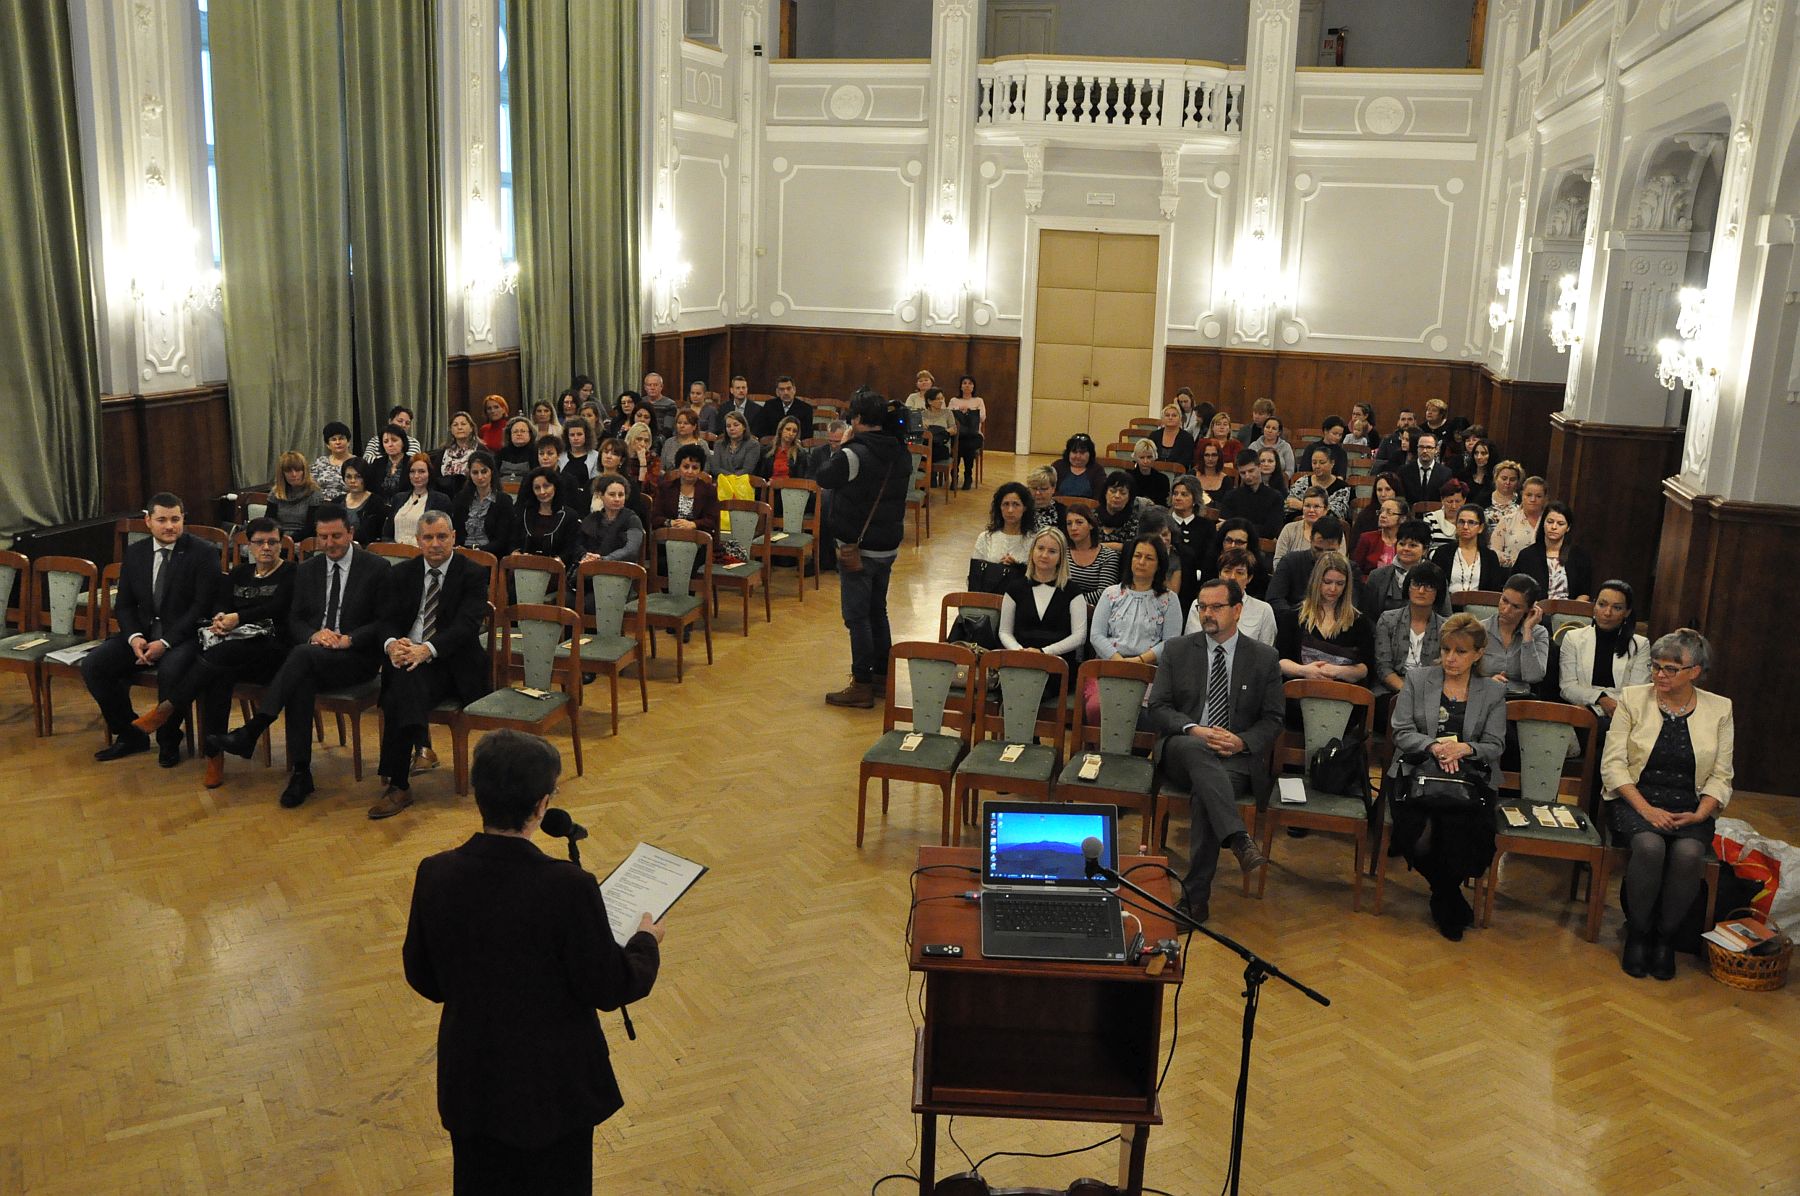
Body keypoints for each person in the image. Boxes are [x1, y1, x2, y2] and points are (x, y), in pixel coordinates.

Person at [402, 729, 663, 1194]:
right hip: (552, 1091)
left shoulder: (435, 873)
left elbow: (424, 977)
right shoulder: (567, 887)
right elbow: (609, 987)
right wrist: (645, 942)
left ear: (479, 795)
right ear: (542, 806)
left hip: (474, 1079)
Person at [207, 506, 389, 807]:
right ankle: (302, 773)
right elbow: (295, 620)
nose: (329, 543)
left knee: (300, 659)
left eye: (336, 536)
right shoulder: (308, 569)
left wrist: (348, 639)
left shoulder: (377, 568)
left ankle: (254, 730)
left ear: (351, 533)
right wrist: (313, 635)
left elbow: (385, 621)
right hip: (314, 653)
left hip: (356, 658)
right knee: (300, 676)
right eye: (323, 537)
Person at [1602, 628, 1735, 980]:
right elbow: (1613, 765)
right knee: (1649, 846)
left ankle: (1665, 938)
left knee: (1689, 854)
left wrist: (1700, 813)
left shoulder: (1720, 709)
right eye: (1656, 666)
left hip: (1691, 806)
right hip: (1636, 800)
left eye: (1670, 669)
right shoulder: (1632, 699)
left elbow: (1722, 775)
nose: (1659, 675)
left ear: (1695, 671)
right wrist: (1646, 810)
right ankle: (1639, 934)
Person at [1148, 577, 1282, 922]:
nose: (1207, 614)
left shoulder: (1264, 658)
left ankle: (1195, 900)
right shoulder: (1178, 650)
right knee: (1197, 751)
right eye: (1202, 607)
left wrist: (1241, 741)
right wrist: (1195, 729)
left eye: (1216, 607)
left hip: (1234, 757)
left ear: (1237, 610)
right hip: (1182, 747)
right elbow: (1158, 708)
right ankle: (1238, 837)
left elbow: (1273, 720)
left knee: (1206, 795)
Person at [133, 518, 294, 789]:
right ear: (248, 545)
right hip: (234, 652)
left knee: (221, 656)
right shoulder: (240, 573)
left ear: (282, 544)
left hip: (273, 651)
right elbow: (221, 601)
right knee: (218, 675)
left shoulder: (292, 573)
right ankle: (214, 756)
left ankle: (167, 708)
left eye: (273, 542)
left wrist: (238, 617)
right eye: (259, 542)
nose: (266, 547)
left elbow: (279, 608)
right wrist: (220, 617)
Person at [1387, 612, 1507, 940]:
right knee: (1420, 831)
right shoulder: (1418, 679)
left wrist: (1465, 749)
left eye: (1461, 652)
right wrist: (1435, 746)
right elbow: (1401, 732)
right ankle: (1448, 896)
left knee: (1460, 829)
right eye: (1446, 650)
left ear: (1478, 654)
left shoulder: (1493, 693)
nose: (1450, 659)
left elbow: (1495, 745)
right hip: (1416, 772)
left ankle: (1444, 895)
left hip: (1470, 779)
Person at [368, 512, 492, 819]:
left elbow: (467, 626)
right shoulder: (402, 573)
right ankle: (414, 758)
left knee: (400, 687)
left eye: (441, 537)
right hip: (409, 660)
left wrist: (427, 649)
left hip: (453, 665)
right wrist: (392, 645)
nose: (435, 544)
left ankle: (399, 784)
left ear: (453, 537)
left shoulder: (473, 573)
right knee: (406, 679)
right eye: (428, 538)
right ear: (417, 541)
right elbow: (385, 620)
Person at [83, 492, 221, 766]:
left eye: (175, 519)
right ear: (147, 521)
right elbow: (124, 605)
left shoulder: (203, 552)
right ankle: (130, 732)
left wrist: (166, 643)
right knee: (94, 665)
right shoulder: (136, 553)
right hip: (142, 634)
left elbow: (201, 608)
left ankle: (168, 740)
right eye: (162, 520)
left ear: (183, 519)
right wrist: (135, 638)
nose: (169, 526)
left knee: (171, 672)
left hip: (184, 637)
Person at [813, 392, 910, 707]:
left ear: (855, 420)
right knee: (877, 610)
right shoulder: (900, 451)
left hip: (859, 547)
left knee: (857, 617)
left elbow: (825, 476)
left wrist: (844, 444)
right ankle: (882, 677)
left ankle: (862, 684)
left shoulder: (853, 454)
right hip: (888, 545)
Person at [1085, 535, 1182, 721]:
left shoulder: (1169, 600)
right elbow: (1096, 635)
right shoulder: (1111, 594)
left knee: (1143, 713)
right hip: (1109, 665)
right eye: (1137, 556)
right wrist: (1119, 661)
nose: (1141, 562)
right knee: (1097, 707)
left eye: (1149, 558)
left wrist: (1138, 661)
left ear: (1159, 564)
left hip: (1149, 670)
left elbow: (1171, 642)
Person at [999, 528, 1089, 690]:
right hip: (1020, 662)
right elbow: (1004, 632)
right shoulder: (1015, 588)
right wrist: (1021, 652)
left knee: (1028, 688)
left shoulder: (1073, 592)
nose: (1044, 555)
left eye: (1052, 551)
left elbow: (1079, 636)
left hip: (1057, 665)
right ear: (1032, 551)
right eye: (1040, 548)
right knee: (1017, 685)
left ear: (1061, 557)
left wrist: (1043, 653)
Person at [1276, 551, 1373, 684]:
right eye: (1327, 582)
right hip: (1301, 692)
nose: (1333, 589)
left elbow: (1365, 668)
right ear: (1316, 581)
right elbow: (1281, 662)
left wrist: (1339, 671)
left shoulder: (1359, 623)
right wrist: (1304, 670)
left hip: (1343, 695)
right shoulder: (1293, 617)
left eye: (1340, 584)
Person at [1559, 581, 1650, 722]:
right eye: (1602, 604)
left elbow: (1637, 691)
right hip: (1582, 709)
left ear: (1627, 612)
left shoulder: (1640, 644)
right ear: (1594, 606)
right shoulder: (1573, 638)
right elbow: (1567, 687)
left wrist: (1614, 706)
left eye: (1617, 608)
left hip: (1623, 712)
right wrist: (1601, 698)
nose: (1607, 613)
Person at [1374, 560, 1446, 696]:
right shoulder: (1388, 620)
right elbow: (1383, 667)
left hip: (1431, 689)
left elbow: (1444, 670)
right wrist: (1406, 691)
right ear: (1408, 587)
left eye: (1429, 586)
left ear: (1438, 592)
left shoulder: (1446, 628)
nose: (1421, 591)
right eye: (1416, 584)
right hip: (1392, 688)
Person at [1479, 574, 1548, 697]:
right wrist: (1487, 683)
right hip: (1483, 695)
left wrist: (1527, 631)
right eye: (1504, 601)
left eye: (1516, 607)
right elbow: (1463, 675)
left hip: (1521, 701)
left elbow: (1533, 677)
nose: (1505, 610)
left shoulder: (1539, 633)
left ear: (1529, 609)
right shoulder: (1479, 629)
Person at [1191, 548, 1276, 645]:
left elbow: (1266, 654)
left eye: (1239, 573)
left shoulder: (1263, 610)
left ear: (1249, 578)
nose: (1232, 577)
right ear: (1219, 574)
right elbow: (1192, 646)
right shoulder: (1200, 605)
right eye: (1227, 571)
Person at [1513, 500, 1591, 602]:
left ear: (1568, 528)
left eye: (1560, 523)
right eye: (1550, 522)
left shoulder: (1579, 556)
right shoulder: (1527, 555)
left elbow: (1584, 593)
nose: (1554, 527)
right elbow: (1515, 589)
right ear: (1543, 523)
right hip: (1534, 610)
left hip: (1569, 614)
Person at [1267, 511, 1346, 610]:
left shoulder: (1349, 569)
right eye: (1318, 549)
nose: (1323, 556)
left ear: (1339, 545)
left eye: (1330, 551)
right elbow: (1274, 599)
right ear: (1310, 539)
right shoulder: (1290, 562)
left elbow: (1352, 605)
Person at [1366, 519, 1440, 618]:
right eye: (1401, 544)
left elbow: (1445, 616)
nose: (1406, 548)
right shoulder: (1376, 576)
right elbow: (1368, 615)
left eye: (1412, 545)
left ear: (1425, 550)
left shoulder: (1436, 576)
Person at [970, 482, 1033, 593]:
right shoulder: (985, 538)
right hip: (989, 598)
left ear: (1025, 507)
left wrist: (1017, 567)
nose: (1010, 510)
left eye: (1016, 504)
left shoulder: (1034, 540)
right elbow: (975, 577)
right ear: (999, 507)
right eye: (1005, 504)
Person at [451, 450, 515, 559]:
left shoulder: (503, 500)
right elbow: (456, 531)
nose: (480, 477)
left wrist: (478, 551)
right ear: (470, 474)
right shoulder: (461, 498)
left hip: (490, 556)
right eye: (475, 473)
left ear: (492, 472)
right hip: (463, 553)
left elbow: (502, 540)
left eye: (484, 471)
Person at [1432, 503, 1503, 595]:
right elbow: (1434, 585)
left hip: (1480, 606)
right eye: (1461, 522)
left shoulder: (1490, 557)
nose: (1465, 527)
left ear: (1480, 528)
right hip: (1448, 607)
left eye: (1471, 523)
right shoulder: (1442, 552)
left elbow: (1494, 590)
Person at [1165, 477, 1212, 616]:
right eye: (1175, 493)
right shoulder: (1163, 521)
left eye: (1184, 494)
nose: (1178, 498)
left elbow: (1208, 560)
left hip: (1193, 587)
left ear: (1195, 499)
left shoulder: (1206, 526)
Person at [1216, 448, 1285, 541]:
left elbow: (1272, 531)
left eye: (1251, 471)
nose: (1247, 476)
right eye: (1243, 473)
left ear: (1259, 467)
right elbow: (1224, 527)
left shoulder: (1276, 497)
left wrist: (1236, 525)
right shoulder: (1231, 496)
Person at [384, 453, 453, 545]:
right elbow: (387, 534)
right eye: (412, 471)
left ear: (429, 473)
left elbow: (443, 536)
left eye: (421, 471)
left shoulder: (440, 500)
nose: (416, 476)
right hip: (395, 551)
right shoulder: (398, 498)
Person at [517, 467, 581, 566]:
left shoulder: (570, 516)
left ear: (555, 486)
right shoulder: (524, 512)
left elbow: (570, 549)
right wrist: (516, 553)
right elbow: (513, 542)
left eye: (546, 486)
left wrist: (556, 562)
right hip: (524, 567)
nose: (542, 492)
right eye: (537, 488)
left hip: (556, 569)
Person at [651, 445, 719, 536]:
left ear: (700, 470)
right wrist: (671, 523)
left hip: (697, 537)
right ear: (679, 467)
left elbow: (712, 520)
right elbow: (655, 518)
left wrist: (693, 524)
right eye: (686, 467)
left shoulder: (709, 490)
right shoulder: (665, 488)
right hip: (669, 535)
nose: (690, 471)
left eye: (695, 468)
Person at [579, 474, 645, 565]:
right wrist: (585, 556)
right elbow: (578, 545)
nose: (617, 499)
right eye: (612, 495)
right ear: (601, 495)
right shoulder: (592, 518)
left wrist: (604, 560)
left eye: (621, 495)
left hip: (620, 568)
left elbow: (631, 550)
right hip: (591, 566)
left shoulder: (632, 519)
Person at [1062, 504, 1120, 601]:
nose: (1073, 528)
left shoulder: (1108, 556)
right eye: (1069, 523)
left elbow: (1104, 594)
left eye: (1079, 522)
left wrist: (1071, 601)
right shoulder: (1062, 552)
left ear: (1091, 525)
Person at [1490, 476, 1547, 568]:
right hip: (1511, 574)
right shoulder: (1507, 521)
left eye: (1538, 496)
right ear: (1522, 494)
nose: (1533, 499)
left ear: (1545, 498)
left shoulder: (1550, 523)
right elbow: (1494, 551)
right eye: (1529, 495)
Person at [1285, 444, 1351, 521]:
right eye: (1314, 462)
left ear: (1332, 463)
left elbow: (1336, 513)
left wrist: (1302, 506)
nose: (1317, 466)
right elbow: (1289, 505)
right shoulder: (1302, 482)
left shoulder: (1342, 487)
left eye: (1322, 462)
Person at [270, 450, 324, 540]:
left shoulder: (314, 494)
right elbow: (270, 522)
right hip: (277, 538)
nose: (294, 474)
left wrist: (289, 540)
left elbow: (311, 528)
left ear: (304, 471)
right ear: (282, 473)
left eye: (298, 470)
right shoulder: (275, 493)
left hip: (304, 540)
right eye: (288, 471)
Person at [1352, 497, 1409, 579]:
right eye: (1381, 511)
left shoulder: (1407, 542)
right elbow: (1356, 570)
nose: (1382, 515)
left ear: (1402, 518)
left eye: (1389, 512)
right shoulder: (1367, 538)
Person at [338, 458, 389, 547]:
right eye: (348, 477)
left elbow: (375, 535)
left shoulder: (376, 503)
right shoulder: (337, 502)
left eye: (358, 476)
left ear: (365, 477)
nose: (353, 481)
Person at [949, 374, 986, 490]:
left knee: (968, 446)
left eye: (970, 383)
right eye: (964, 383)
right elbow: (948, 415)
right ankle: (954, 476)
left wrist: (968, 412)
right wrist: (958, 410)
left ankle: (968, 476)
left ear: (973, 387)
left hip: (974, 434)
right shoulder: (954, 400)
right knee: (957, 444)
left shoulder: (978, 400)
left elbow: (982, 417)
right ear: (960, 386)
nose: (967, 386)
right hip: (958, 434)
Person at [435, 412, 485, 497]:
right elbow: (435, 476)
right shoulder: (443, 451)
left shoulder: (481, 450)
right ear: (451, 430)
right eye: (455, 425)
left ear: (471, 428)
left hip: (472, 494)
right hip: (445, 495)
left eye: (463, 424)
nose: (459, 427)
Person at [1095, 471, 1148, 546]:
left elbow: (1132, 549)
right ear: (1105, 493)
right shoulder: (1092, 517)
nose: (1117, 496)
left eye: (1123, 493)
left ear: (1129, 497)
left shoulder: (1135, 523)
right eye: (1113, 491)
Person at [1401, 431, 1453, 506]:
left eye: (1429, 447)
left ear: (1436, 449)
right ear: (1417, 448)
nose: (1424, 451)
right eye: (1421, 447)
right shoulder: (1404, 471)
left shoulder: (1445, 473)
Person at [1349, 471, 1403, 542]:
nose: (1383, 494)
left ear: (1396, 491)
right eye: (1379, 490)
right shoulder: (1365, 515)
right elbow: (1354, 546)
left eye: (1388, 489)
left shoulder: (1404, 513)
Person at [311, 421, 358, 499]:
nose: (338, 442)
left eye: (341, 438)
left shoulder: (357, 463)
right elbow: (311, 486)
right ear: (328, 445)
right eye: (333, 439)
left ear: (348, 442)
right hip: (321, 505)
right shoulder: (320, 462)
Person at [754, 415, 806, 481]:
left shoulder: (800, 453)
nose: (791, 433)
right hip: (769, 487)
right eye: (788, 429)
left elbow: (800, 478)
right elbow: (760, 475)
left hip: (789, 489)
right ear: (781, 430)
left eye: (794, 431)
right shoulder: (767, 451)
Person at [370, 424, 414, 500]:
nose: (390, 445)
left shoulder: (412, 463)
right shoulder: (377, 463)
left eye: (394, 440)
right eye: (386, 442)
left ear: (403, 442)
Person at [1424, 478, 1470, 550]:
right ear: (1442, 500)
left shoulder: (1469, 521)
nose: (1454, 506)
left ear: (1464, 501)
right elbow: (1425, 547)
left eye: (1458, 501)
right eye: (1449, 501)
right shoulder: (1430, 518)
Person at [1052, 433, 1102, 498]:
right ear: (1068, 453)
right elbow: (1049, 491)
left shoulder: (1097, 470)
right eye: (1074, 452)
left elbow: (1099, 496)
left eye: (1082, 452)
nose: (1078, 456)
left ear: (1090, 454)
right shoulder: (1057, 466)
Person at [1482, 459, 1524, 534]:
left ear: (1518, 482)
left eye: (1512, 479)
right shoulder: (1483, 499)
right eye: (1504, 478)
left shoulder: (1523, 501)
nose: (1507, 482)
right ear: (1496, 478)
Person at [560, 418, 599, 496]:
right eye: (572, 435)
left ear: (586, 435)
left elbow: (595, 483)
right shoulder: (560, 455)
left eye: (579, 434)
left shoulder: (596, 456)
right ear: (567, 437)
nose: (576, 438)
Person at [1126, 439, 1170, 506]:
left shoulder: (1162, 480)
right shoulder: (1127, 478)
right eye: (1142, 457)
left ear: (1155, 457)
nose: (1145, 461)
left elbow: (1164, 507)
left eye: (1149, 457)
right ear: (1135, 458)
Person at [920, 388, 957, 464]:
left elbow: (954, 430)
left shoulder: (947, 413)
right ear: (929, 401)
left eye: (942, 398)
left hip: (942, 445)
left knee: (930, 451)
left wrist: (941, 431)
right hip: (926, 444)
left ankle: (927, 470)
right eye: (938, 399)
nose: (941, 401)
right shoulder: (922, 414)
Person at [496, 417, 538, 484]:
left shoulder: (536, 452)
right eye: (515, 432)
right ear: (510, 435)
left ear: (530, 434)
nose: (519, 434)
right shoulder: (502, 452)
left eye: (523, 431)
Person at [1024, 467, 1064, 534]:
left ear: (1053, 489)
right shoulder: (1022, 510)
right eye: (1034, 488)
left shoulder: (1063, 512)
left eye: (1043, 489)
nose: (1038, 493)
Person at [1459, 437, 1496, 506]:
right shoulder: (1464, 475)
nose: (1479, 457)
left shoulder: (1496, 478)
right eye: (1476, 453)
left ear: (1491, 455)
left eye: (1483, 453)